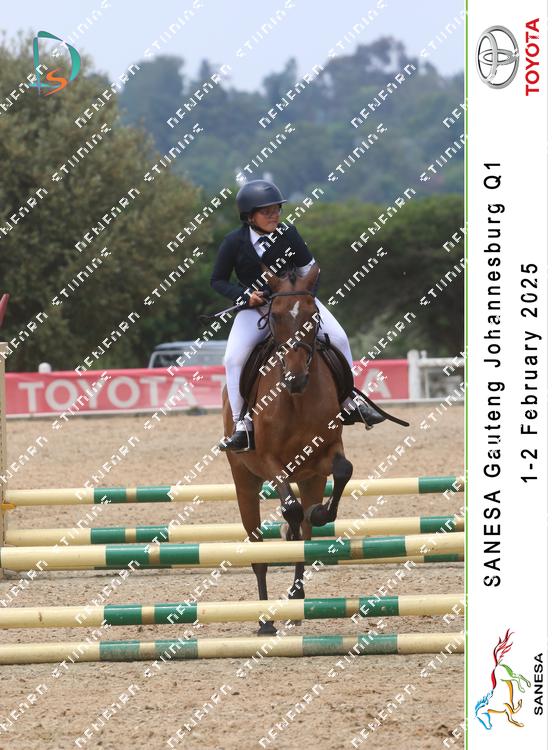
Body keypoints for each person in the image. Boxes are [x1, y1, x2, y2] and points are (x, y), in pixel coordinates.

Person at [210, 179, 384, 452]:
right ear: (249, 216)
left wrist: (304, 299)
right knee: (233, 359)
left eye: (276, 210)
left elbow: (310, 269)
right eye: (267, 212)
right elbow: (218, 280)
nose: (274, 215)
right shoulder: (233, 242)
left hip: (296, 306)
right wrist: (244, 296)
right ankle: (242, 424)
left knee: (339, 337)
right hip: (257, 309)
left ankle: (350, 400)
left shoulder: (288, 233)